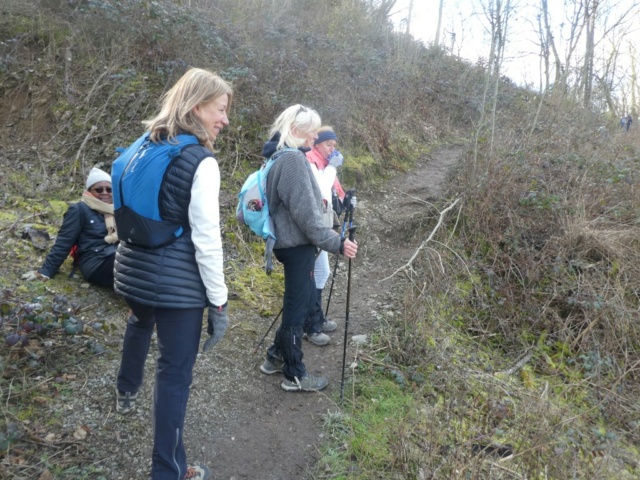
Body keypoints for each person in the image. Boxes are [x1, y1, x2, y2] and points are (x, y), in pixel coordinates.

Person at [112, 68, 231, 480]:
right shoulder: (200, 160)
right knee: (174, 375)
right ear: (197, 106)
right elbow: (207, 239)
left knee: (140, 321)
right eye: (220, 109)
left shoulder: (144, 144)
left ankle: (126, 387)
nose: (224, 120)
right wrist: (218, 300)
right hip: (177, 287)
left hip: (132, 270)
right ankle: (169, 471)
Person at [258, 105, 358, 392]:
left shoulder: (277, 157)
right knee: (296, 310)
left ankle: (275, 358)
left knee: (297, 303)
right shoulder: (292, 161)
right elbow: (307, 216)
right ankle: (294, 375)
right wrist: (336, 243)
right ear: (294, 131)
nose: (316, 134)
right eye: (312, 129)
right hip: (297, 246)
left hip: (290, 243)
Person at [21, 167, 118, 287]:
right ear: (89, 191)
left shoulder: (116, 210)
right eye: (99, 189)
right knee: (132, 265)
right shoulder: (79, 209)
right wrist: (47, 271)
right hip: (96, 262)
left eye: (109, 189)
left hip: (118, 255)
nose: (105, 193)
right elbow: (64, 241)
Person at [302, 126, 347, 346]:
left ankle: (316, 316)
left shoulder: (321, 161)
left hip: (322, 223)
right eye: (328, 144)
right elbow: (319, 190)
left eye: (334, 145)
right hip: (312, 226)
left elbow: (330, 193)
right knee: (313, 273)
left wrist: (344, 200)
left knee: (322, 271)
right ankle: (310, 324)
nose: (332, 149)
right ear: (317, 143)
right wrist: (331, 167)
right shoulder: (310, 160)